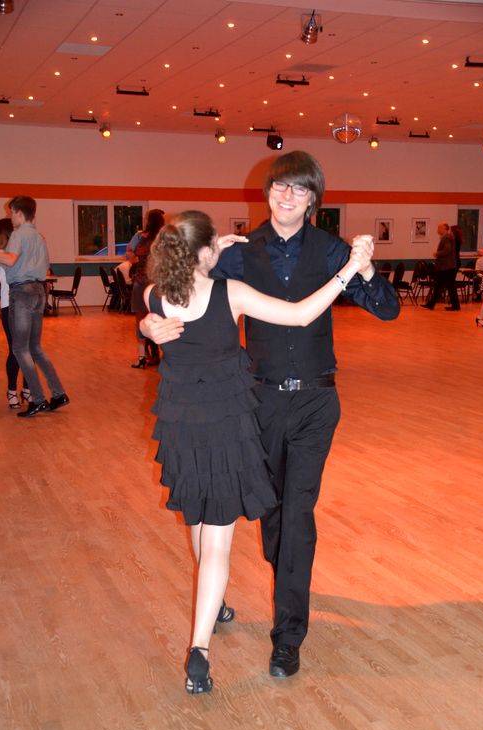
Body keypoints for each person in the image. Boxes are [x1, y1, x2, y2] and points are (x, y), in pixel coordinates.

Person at [142, 151, 400, 680]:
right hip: (257, 404)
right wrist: (146, 325)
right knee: (274, 516)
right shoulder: (239, 254)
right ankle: (267, 580)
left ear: (313, 199)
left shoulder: (332, 251)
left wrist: (366, 268)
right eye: (280, 186)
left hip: (315, 401)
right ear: (267, 193)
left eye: (298, 189)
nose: (287, 196)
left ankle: (288, 636)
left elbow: (387, 308)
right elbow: (173, 289)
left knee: (297, 513)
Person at [0, 196, 69, 417]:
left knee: (20, 349)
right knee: (35, 348)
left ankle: (37, 399)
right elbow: (43, 266)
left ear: (19, 213)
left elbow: (11, 260)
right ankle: (58, 394)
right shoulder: (38, 237)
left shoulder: (19, 234)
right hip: (39, 291)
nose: (10, 216)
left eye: (11, 212)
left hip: (22, 292)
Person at [0, 217, 31, 408]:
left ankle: (27, 388)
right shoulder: (1, 255)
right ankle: (12, 390)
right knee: (16, 350)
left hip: (26, 305)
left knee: (29, 349)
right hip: (9, 306)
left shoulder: (19, 252)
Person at [128, 209, 165, 368]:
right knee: (158, 318)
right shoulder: (164, 237)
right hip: (157, 283)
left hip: (143, 282)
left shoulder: (140, 237)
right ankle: (156, 355)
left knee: (141, 320)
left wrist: (136, 255)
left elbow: (130, 255)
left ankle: (143, 356)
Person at [421, 222, 460, 311]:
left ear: (444, 229)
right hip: (448, 266)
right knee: (443, 286)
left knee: (443, 286)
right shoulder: (448, 237)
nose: (437, 230)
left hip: (447, 267)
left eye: (439, 228)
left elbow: (447, 249)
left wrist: (437, 253)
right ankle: (433, 304)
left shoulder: (447, 237)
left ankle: (433, 304)